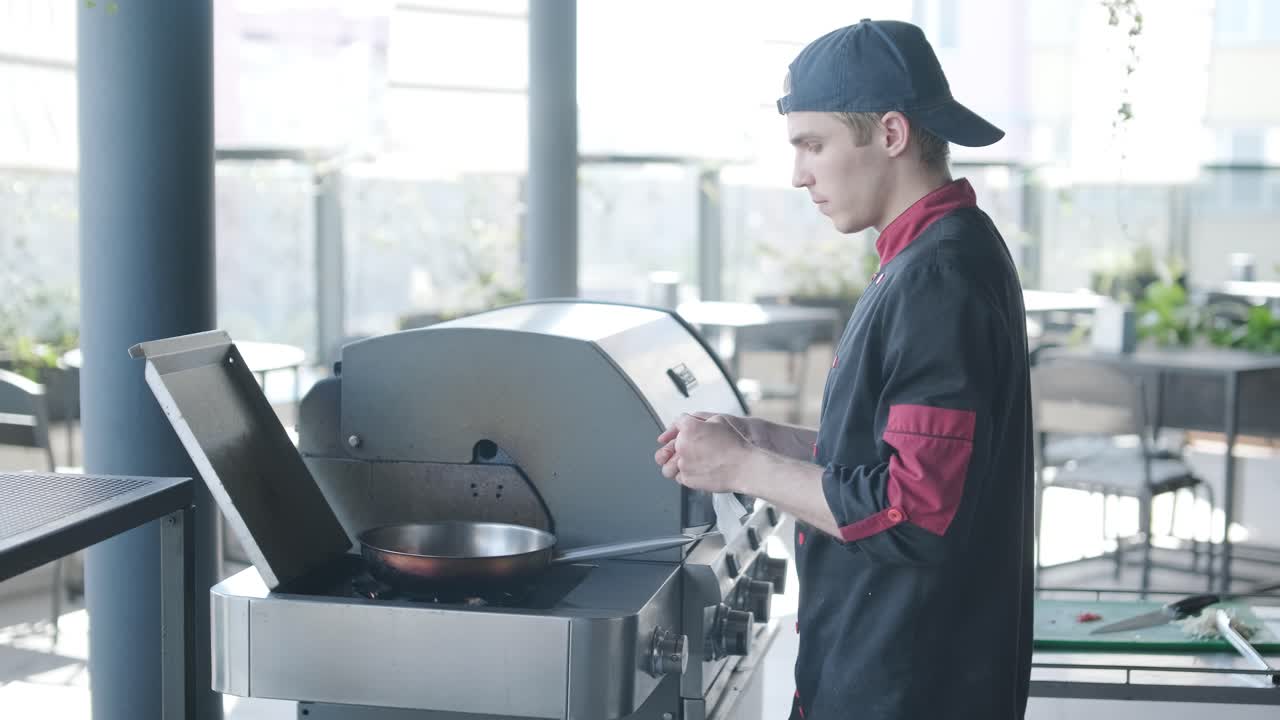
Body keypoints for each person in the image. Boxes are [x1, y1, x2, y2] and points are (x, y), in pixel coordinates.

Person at [654, 18, 1033, 720]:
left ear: (890, 134)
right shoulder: (935, 254)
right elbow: (900, 462)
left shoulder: (937, 278)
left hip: (906, 686)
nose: (799, 174)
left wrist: (742, 468)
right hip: (889, 665)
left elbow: (914, 512)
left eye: (813, 144)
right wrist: (766, 440)